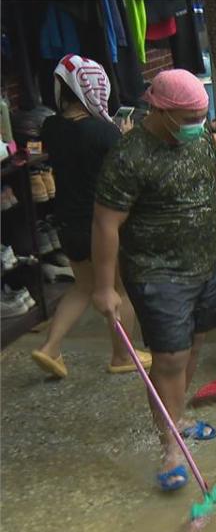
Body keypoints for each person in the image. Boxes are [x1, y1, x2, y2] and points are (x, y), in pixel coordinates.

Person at [91, 69, 216, 491]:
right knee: (169, 358)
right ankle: (169, 445)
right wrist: (104, 286)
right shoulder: (128, 157)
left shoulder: (195, 140)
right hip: (158, 273)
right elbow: (105, 223)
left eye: (201, 117)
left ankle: (178, 417)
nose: (199, 126)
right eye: (191, 118)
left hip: (205, 264)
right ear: (162, 111)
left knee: (194, 344)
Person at [30, 54, 151, 379]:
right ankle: (122, 354)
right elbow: (130, 168)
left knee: (83, 287)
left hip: (67, 224)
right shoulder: (103, 133)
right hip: (102, 226)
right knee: (119, 291)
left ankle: (50, 348)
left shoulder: (51, 127)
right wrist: (124, 137)